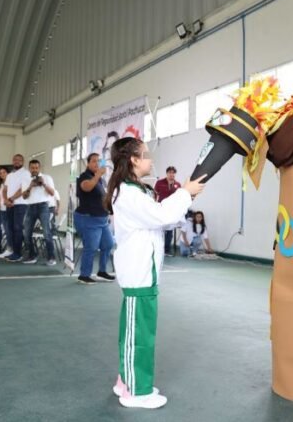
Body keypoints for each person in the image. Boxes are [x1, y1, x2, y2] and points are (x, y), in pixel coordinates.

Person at [104, 137, 205, 409]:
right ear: (133, 160)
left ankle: (126, 381)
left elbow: (163, 218)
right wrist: (184, 193)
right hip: (138, 272)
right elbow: (161, 216)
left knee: (136, 331)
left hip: (143, 271)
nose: (150, 159)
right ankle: (137, 391)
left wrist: (186, 196)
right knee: (140, 334)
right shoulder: (128, 192)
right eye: (146, 154)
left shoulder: (136, 190)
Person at [74, 153, 116, 284]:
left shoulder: (100, 180)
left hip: (102, 219)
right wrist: (98, 175)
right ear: (88, 163)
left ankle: (102, 272)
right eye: (94, 161)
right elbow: (86, 188)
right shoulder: (84, 176)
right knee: (91, 247)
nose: (97, 163)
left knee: (108, 244)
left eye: (99, 161)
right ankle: (84, 275)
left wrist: (108, 211)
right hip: (88, 218)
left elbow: (102, 197)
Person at [21, 159, 57, 265]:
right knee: (26, 233)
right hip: (30, 207)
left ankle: (51, 257)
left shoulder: (47, 177)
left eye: (36, 168)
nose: (34, 170)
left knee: (47, 233)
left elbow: (52, 193)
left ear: (39, 168)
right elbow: (24, 196)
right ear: (29, 168)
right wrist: (30, 186)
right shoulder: (25, 179)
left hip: (43, 206)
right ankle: (32, 255)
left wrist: (44, 184)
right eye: (32, 168)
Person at [3, 154, 30, 262]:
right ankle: (14, 251)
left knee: (17, 228)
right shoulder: (9, 175)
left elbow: (23, 189)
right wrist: (5, 200)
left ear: (23, 162)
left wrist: (11, 199)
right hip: (10, 205)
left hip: (20, 204)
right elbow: (5, 189)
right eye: (15, 160)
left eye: (19, 160)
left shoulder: (26, 173)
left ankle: (18, 254)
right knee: (10, 228)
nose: (16, 161)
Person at [154, 166, 182, 256]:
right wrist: (154, 205)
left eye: (173, 173)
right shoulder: (159, 182)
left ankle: (167, 250)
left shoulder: (177, 184)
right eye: (170, 172)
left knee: (169, 231)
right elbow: (155, 194)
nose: (171, 174)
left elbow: (179, 197)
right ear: (167, 173)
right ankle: (157, 249)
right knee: (159, 229)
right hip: (161, 209)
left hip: (171, 210)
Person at [0, 167, 12, 259]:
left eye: (4, 172)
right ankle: (10, 248)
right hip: (2, 210)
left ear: (8, 173)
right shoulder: (2, 184)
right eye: (0, 173)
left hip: (8, 209)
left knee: (9, 230)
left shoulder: (10, 183)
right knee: (6, 230)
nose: (2, 174)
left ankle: (10, 249)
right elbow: (0, 196)